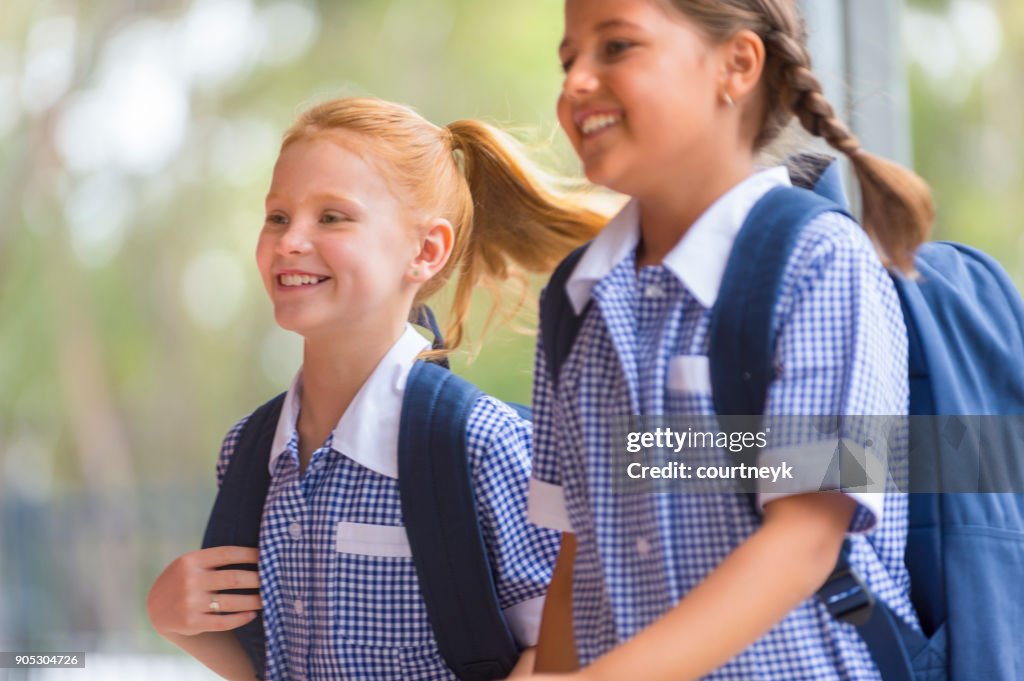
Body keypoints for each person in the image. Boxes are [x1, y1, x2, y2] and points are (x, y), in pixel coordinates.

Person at [525, 1, 934, 679]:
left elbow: (804, 540)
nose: (576, 81)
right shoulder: (575, 301)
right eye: (569, 59)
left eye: (617, 47)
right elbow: (578, 553)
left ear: (737, 64)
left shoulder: (820, 259)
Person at [146, 96, 605, 680]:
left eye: (332, 217)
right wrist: (176, 624)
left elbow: (564, 652)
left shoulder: (487, 446)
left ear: (425, 251)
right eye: (278, 217)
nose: (290, 241)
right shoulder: (247, 453)